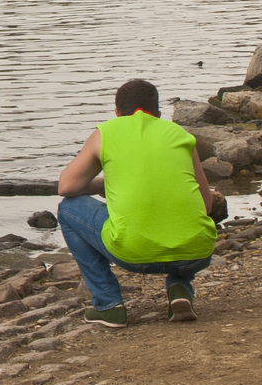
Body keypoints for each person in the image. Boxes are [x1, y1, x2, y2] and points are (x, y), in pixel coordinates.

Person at [56, 79, 224, 328]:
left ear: (116, 112)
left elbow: (66, 187)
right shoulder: (181, 135)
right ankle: (180, 287)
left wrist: (105, 184)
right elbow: (206, 205)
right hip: (196, 254)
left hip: (134, 255)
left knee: (68, 209)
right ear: (157, 114)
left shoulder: (107, 132)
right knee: (186, 218)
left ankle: (108, 304)